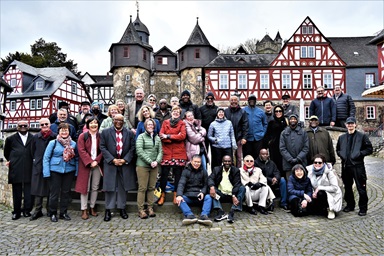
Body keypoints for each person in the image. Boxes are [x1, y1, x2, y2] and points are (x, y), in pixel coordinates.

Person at [100, 114, 136, 221]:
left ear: (123, 122)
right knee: (109, 187)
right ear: (113, 120)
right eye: (116, 120)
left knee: (123, 187)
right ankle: (108, 209)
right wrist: (112, 159)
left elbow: (132, 148)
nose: (118, 122)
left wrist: (125, 160)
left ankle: (122, 208)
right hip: (111, 163)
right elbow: (102, 146)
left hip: (124, 163)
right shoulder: (105, 132)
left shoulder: (129, 133)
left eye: (121, 120)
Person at [336, 117, 373, 216]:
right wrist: (341, 154)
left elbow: (369, 149)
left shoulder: (362, 136)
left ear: (355, 124)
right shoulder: (342, 137)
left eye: (352, 123)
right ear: (346, 125)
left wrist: (359, 154)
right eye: (348, 124)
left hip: (358, 166)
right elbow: (338, 149)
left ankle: (363, 208)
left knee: (361, 188)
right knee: (347, 187)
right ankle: (350, 205)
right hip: (346, 166)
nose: (350, 125)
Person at [43, 123, 78, 222]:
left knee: (66, 193)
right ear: (59, 131)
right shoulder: (53, 143)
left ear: (69, 132)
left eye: (66, 130)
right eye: (62, 130)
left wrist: (76, 172)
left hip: (69, 170)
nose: (64, 132)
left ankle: (63, 212)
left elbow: (76, 159)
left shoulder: (73, 144)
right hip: (55, 170)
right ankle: (53, 212)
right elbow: (46, 158)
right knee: (54, 193)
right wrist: (46, 173)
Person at [4, 120, 34, 220]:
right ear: (17, 127)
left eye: (25, 125)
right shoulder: (10, 139)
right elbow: (6, 152)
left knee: (28, 191)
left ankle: (26, 210)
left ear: (28, 126)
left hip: (29, 167)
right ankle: (16, 212)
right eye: (20, 125)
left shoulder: (32, 138)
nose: (23, 127)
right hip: (16, 167)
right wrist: (11, 160)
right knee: (16, 191)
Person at [158, 105, 187, 206]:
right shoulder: (165, 122)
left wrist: (169, 136)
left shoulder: (182, 123)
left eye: (177, 112)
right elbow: (161, 135)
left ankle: (176, 194)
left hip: (179, 153)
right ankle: (162, 194)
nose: (175, 113)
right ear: (171, 113)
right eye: (174, 111)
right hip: (167, 152)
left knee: (177, 175)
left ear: (180, 114)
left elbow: (183, 136)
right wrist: (174, 138)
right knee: (164, 175)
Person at [75, 117, 103, 220]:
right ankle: (84, 209)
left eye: (96, 123)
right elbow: (81, 150)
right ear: (88, 125)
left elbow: (103, 149)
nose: (94, 125)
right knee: (85, 188)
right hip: (85, 165)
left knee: (95, 187)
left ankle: (92, 207)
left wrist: (97, 161)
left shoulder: (101, 136)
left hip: (97, 164)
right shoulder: (83, 136)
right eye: (91, 123)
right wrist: (90, 162)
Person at [30, 118, 57, 221]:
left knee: (51, 188)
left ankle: (50, 210)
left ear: (50, 124)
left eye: (46, 124)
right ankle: (38, 210)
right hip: (39, 166)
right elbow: (32, 151)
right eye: (42, 124)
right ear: (39, 126)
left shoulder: (54, 137)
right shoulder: (35, 137)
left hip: (52, 166)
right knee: (38, 189)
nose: (44, 126)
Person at [136, 118, 163, 219]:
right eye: (149, 125)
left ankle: (150, 208)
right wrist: (150, 161)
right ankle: (141, 209)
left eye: (152, 125)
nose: (151, 126)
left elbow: (160, 151)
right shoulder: (141, 137)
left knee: (151, 187)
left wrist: (157, 161)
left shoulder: (157, 138)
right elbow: (139, 151)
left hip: (154, 166)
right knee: (142, 188)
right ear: (145, 126)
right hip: (143, 165)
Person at [176, 155, 213, 226]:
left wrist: (203, 192)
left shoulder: (204, 171)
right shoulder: (186, 171)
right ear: (191, 162)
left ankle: (204, 216)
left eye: (198, 162)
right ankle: (189, 215)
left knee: (208, 197)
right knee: (179, 199)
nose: (196, 164)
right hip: (188, 196)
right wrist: (179, 195)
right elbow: (181, 183)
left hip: (200, 197)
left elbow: (206, 184)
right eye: (195, 162)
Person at [208, 155, 245, 224]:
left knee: (242, 188)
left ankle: (232, 212)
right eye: (225, 161)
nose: (227, 163)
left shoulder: (236, 170)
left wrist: (233, 195)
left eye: (229, 161)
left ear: (231, 162)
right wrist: (212, 187)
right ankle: (220, 211)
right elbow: (210, 178)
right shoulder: (216, 169)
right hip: (220, 194)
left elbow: (237, 184)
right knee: (210, 188)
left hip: (232, 195)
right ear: (222, 162)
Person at [306, 154, 342, 219]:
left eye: (320, 162)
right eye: (315, 162)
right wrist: (313, 192)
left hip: (331, 194)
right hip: (316, 193)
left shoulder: (329, 173)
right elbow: (309, 184)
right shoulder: (310, 172)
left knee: (320, 193)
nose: (317, 164)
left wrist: (319, 188)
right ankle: (321, 209)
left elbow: (335, 188)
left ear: (323, 163)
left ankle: (330, 209)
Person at [280, 114, 309, 180]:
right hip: (288, 164)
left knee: (302, 183)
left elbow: (306, 148)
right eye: (291, 119)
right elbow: (282, 148)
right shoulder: (284, 133)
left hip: (301, 163)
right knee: (290, 184)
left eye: (294, 119)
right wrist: (290, 159)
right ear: (289, 121)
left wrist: (298, 158)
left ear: (297, 120)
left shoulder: (303, 132)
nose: (293, 120)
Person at [224, 95, 249, 168]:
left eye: (235, 100)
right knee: (229, 157)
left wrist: (244, 137)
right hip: (228, 138)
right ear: (229, 101)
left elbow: (245, 125)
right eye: (232, 100)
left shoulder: (242, 112)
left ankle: (238, 171)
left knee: (238, 157)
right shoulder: (226, 111)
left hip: (239, 137)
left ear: (238, 101)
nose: (233, 102)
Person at [263, 105, 287, 175]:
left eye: (280, 111)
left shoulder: (286, 122)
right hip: (274, 146)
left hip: (284, 145)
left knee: (284, 163)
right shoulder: (271, 122)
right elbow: (267, 135)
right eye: (276, 111)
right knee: (275, 163)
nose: (278, 112)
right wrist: (267, 145)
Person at [243, 94, 268, 160]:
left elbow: (265, 124)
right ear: (248, 101)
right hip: (247, 138)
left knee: (257, 156)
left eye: (253, 100)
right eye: (250, 100)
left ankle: (257, 169)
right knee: (247, 156)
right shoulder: (243, 111)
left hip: (258, 138)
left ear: (255, 101)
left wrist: (262, 133)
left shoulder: (261, 112)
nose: (252, 101)